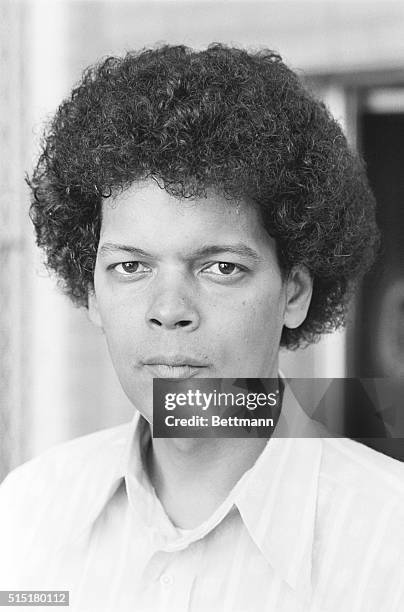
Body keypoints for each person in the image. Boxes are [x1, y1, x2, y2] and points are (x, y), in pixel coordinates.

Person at [0, 44, 403, 611]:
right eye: (131, 266)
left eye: (221, 268)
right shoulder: (25, 514)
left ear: (295, 293)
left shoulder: (391, 543)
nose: (169, 310)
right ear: (90, 291)